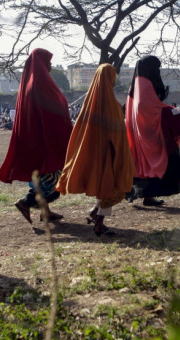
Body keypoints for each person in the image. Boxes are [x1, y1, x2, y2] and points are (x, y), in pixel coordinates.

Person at [56, 64, 135, 236]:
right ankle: (99, 223)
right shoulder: (112, 105)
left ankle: (95, 213)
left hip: (94, 155)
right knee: (112, 188)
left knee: (104, 187)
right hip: (109, 154)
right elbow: (117, 134)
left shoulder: (88, 105)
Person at [0, 48, 73, 224]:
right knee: (55, 174)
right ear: (41, 62)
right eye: (49, 61)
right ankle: (26, 202)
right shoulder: (41, 84)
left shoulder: (31, 83)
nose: (51, 65)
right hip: (46, 139)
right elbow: (53, 110)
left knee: (43, 174)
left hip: (36, 138)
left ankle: (45, 212)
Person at [125, 56, 180, 206]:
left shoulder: (134, 85)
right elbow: (151, 108)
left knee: (142, 165)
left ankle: (148, 196)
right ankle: (150, 195)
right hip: (151, 133)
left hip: (138, 132)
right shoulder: (146, 84)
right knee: (157, 162)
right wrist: (173, 110)